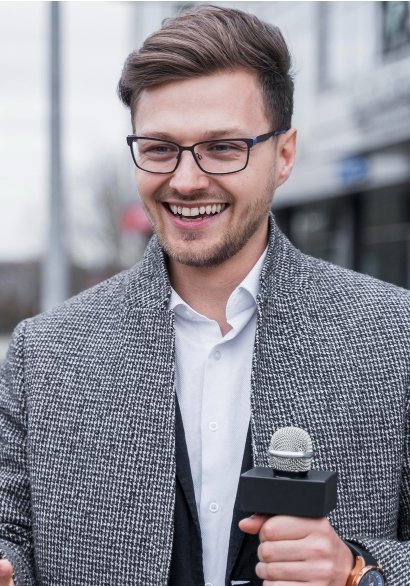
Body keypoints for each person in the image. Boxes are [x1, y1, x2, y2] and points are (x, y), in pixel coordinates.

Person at [0, 5, 409, 586]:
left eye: (223, 147)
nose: (187, 180)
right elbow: (11, 535)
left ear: (284, 155)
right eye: (159, 148)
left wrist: (359, 570)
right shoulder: (44, 352)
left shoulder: (395, 336)